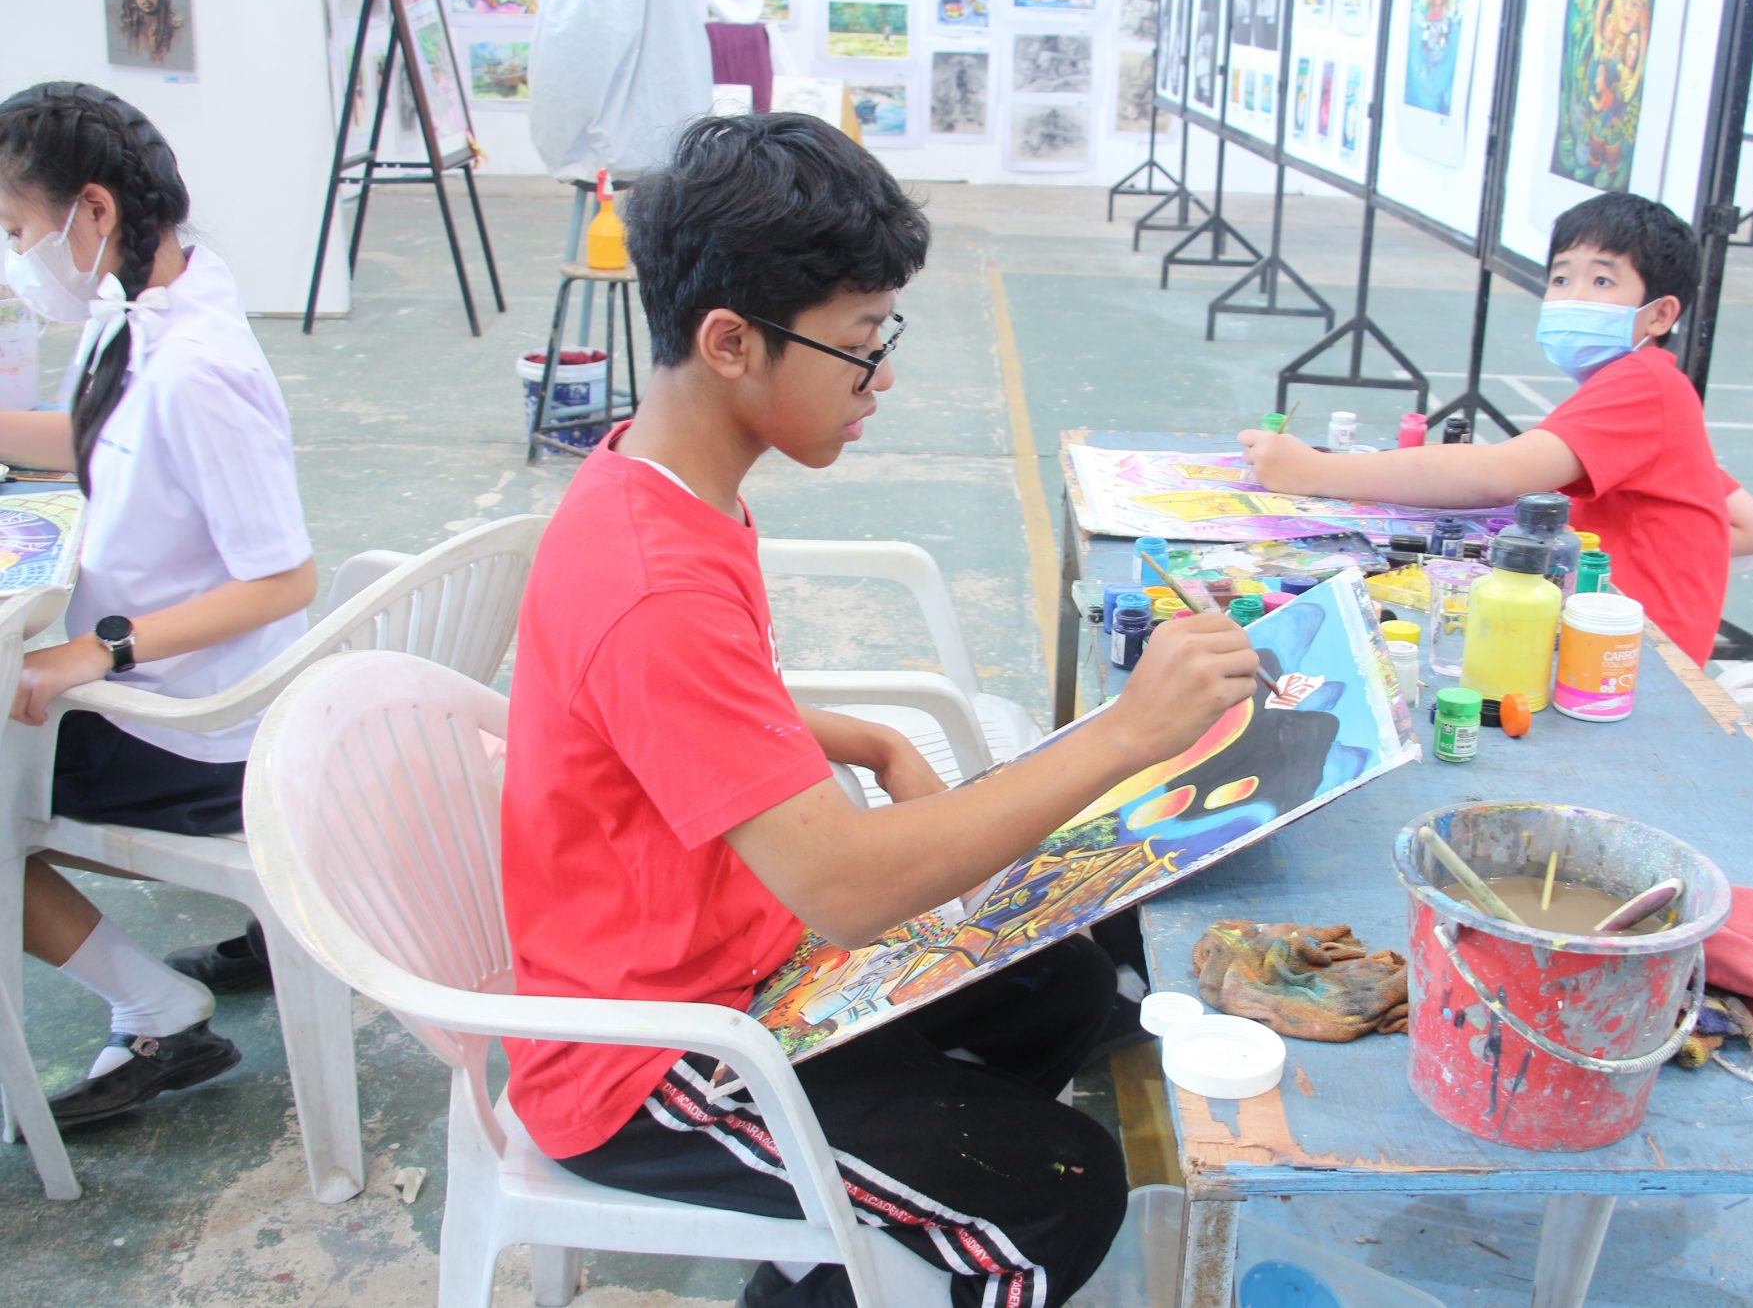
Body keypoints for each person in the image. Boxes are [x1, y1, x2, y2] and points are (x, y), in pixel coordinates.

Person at [501, 112, 1259, 1308]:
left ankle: (853, 1237)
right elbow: (845, 890)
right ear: (730, 342)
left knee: (1062, 992)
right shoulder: (651, 579)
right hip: (650, 1054)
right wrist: (1128, 734)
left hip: (741, 955)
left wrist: (868, 738)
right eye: (860, 344)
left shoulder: (667, 490)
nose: (883, 377)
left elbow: (695, 710)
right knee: (1053, 1199)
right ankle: (880, 1240)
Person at [0, 82, 315, 1125]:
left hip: (194, 726)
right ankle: (231, 952)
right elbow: (90, 437)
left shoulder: (198, 367)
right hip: (176, 689)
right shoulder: (137, 303)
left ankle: (156, 1012)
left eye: (17, 229)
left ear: (92, 210)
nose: (15, 255)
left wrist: (98, 650)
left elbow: (283, 576)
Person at [1238, 191, 1753, 666]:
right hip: (1619, 632)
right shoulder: (1651, 392)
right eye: (1561, 278)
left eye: (1602, 280)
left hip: (1626, 652)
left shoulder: (1643, 385)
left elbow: (1498, 475)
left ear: (1659, 316)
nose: (1572, 296)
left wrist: (1313, 471)